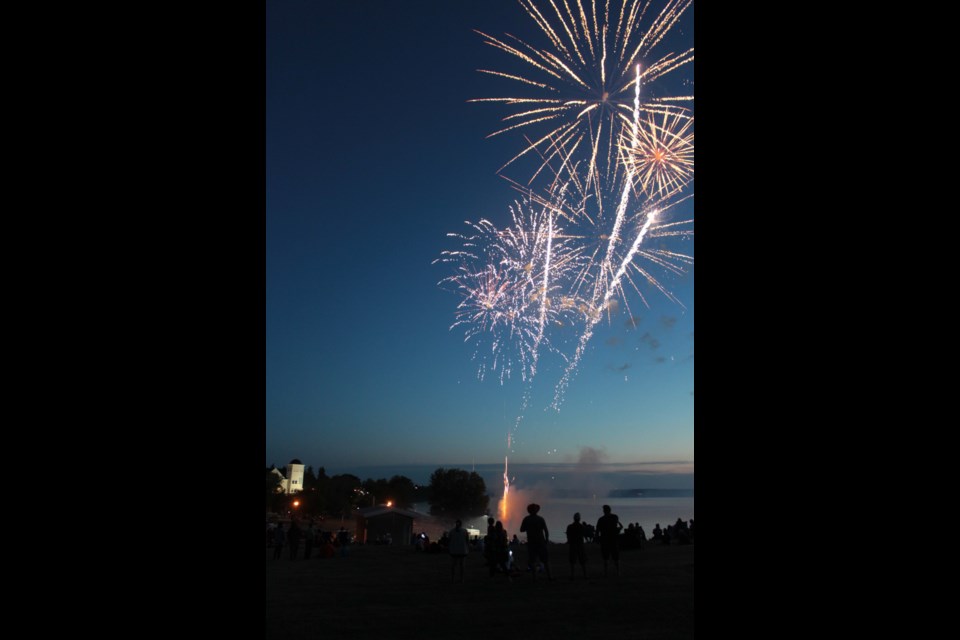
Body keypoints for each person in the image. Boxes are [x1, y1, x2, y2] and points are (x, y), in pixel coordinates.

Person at [520, 503, 553, 581]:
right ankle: (550, 577)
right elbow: (546, 530)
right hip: (541, 542)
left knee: (532, 561)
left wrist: (529, 527)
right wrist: (547, 540)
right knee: (545, 560)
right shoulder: (540, 519)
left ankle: (535, 577)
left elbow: (522, 529)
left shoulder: (526, 519)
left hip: (531, 543)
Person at [596, 505, 623, 576]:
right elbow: (617, 526)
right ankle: (618, 572)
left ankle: (606, 572)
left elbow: (597, 530)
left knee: (605, 557)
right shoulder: (615, 517)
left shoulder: (601, 519)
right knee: (616, 557)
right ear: (610, 510)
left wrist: (597, 539)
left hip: (604, 540)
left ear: (604, 511)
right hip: (613, 539)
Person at [565, 512, 587, 579]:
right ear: (579, 519)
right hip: (580, 545)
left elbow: (568, 536)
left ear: (574, 518)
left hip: (573, 545)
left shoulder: (570, 526)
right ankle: (585, 575)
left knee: (572, 561)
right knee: (582, 561)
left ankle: (572, 575)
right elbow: (584, 534)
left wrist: (569, 541)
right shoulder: (582, 527)